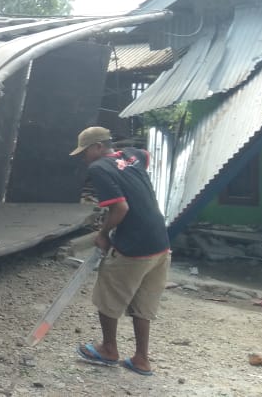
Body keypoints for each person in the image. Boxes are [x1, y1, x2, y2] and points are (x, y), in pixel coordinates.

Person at [72, 127, 170, 377]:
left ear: (97, 148)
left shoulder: (99, 168)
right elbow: (147, 157)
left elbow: (121, 209)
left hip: (133, 244)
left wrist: (103, 234)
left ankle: (108, 349)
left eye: (85, 152)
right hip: (160, 241)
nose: (84, 159)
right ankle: (141, 360)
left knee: (109, 293)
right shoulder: (133, 155)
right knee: (144, 302)